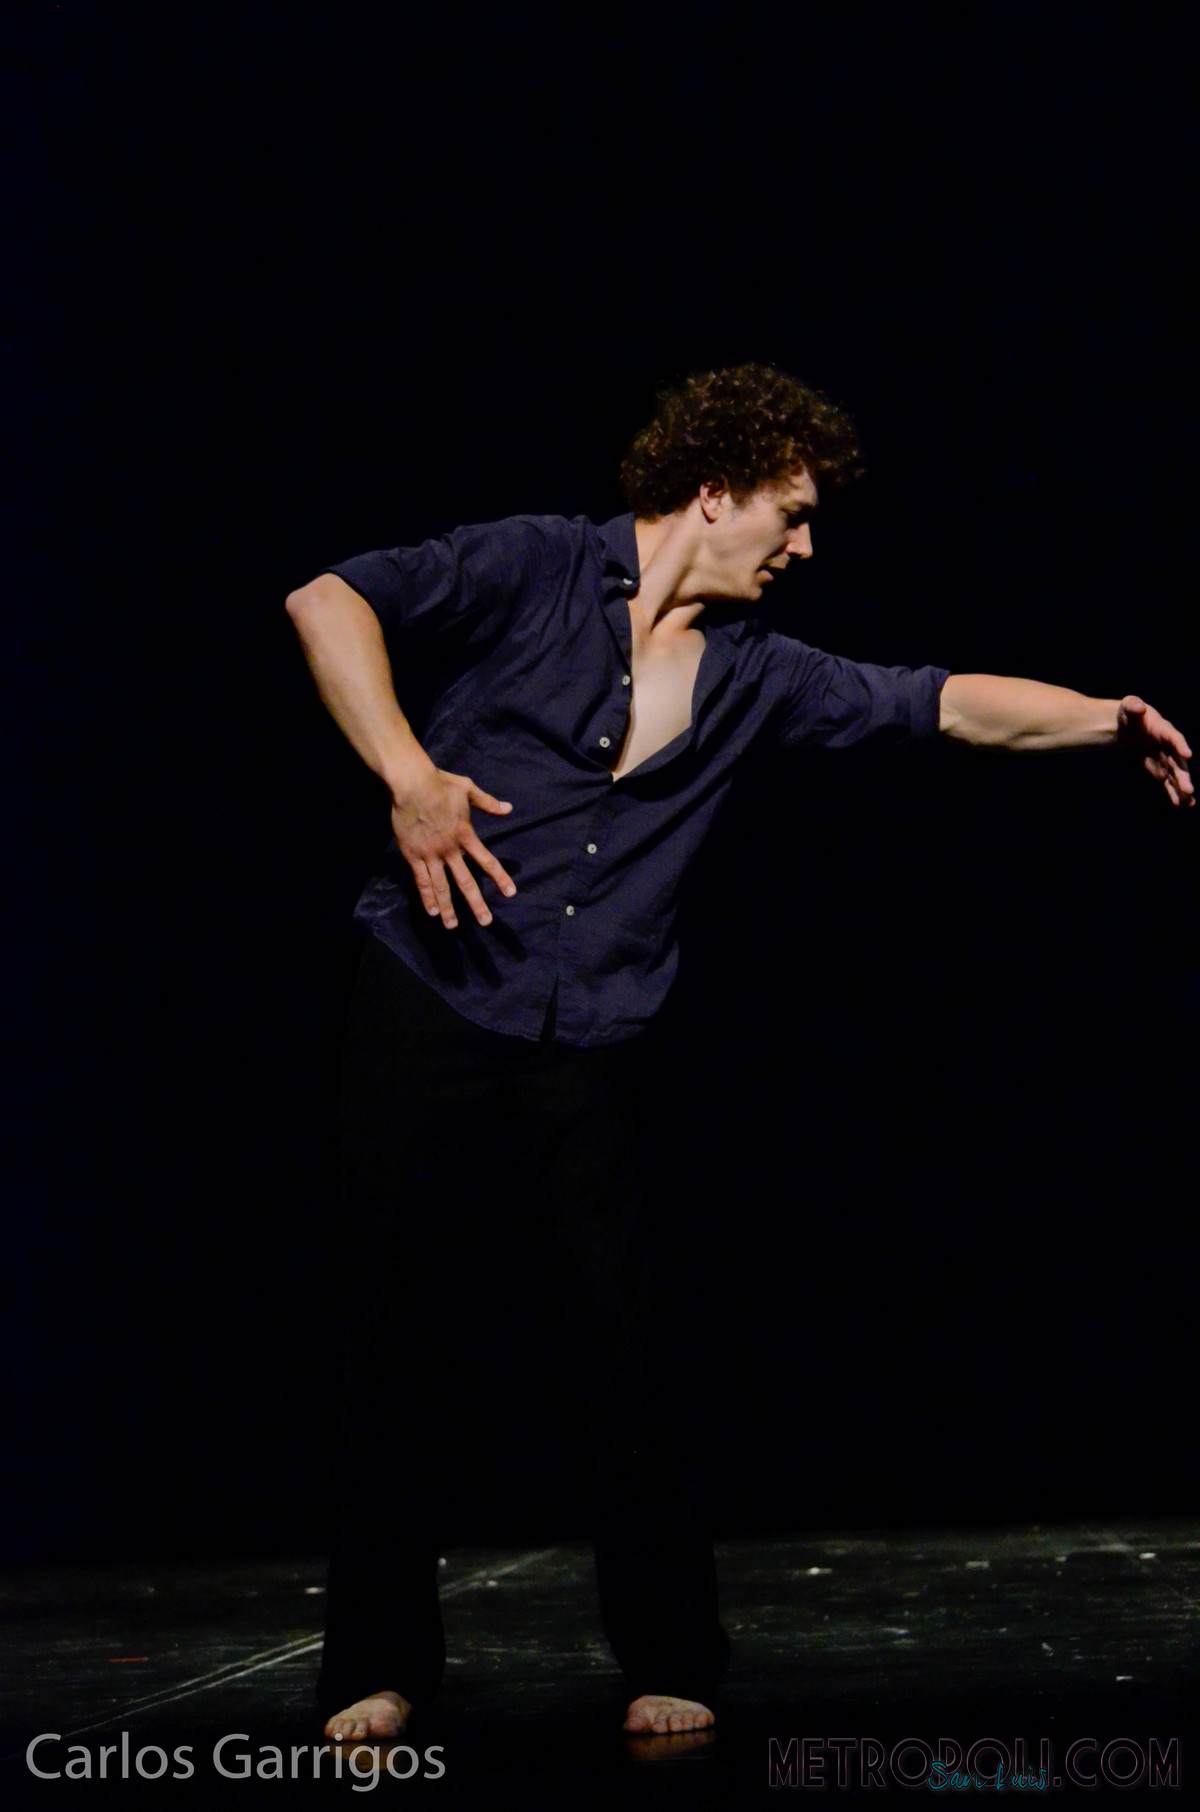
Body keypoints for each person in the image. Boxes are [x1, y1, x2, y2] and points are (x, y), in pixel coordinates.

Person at [284, 362, 1194, 1746]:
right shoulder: (535, 566)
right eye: (793, 512)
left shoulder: (758, 674)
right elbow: (326, 600)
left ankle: (671, 1653)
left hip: (597, 1030)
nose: (806, 546)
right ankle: (380, 1660)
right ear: (713, 493)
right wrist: (411, 776)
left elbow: (941, 702)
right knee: (394, 1334)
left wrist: (1106, 718)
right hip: (431, 995)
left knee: (625, 1346)